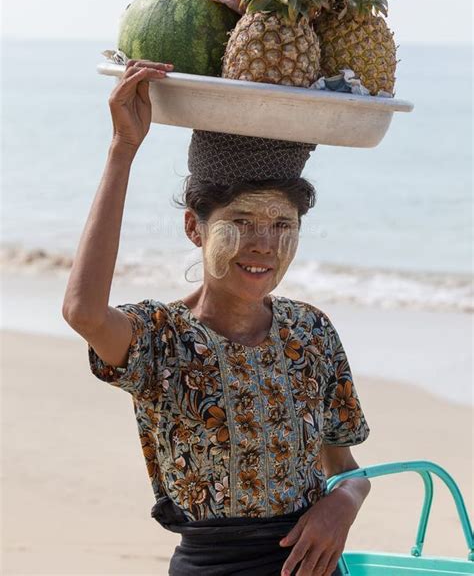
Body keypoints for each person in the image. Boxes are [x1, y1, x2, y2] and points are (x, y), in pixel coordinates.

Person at [63, 59, 371, 576]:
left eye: (282, 224)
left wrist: (342, 506)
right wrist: (122, 151)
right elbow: (83, 311)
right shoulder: (164, 340)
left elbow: (347, 470)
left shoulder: (311, 332)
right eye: (241, 222)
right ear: (194, 227)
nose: (264, 246)